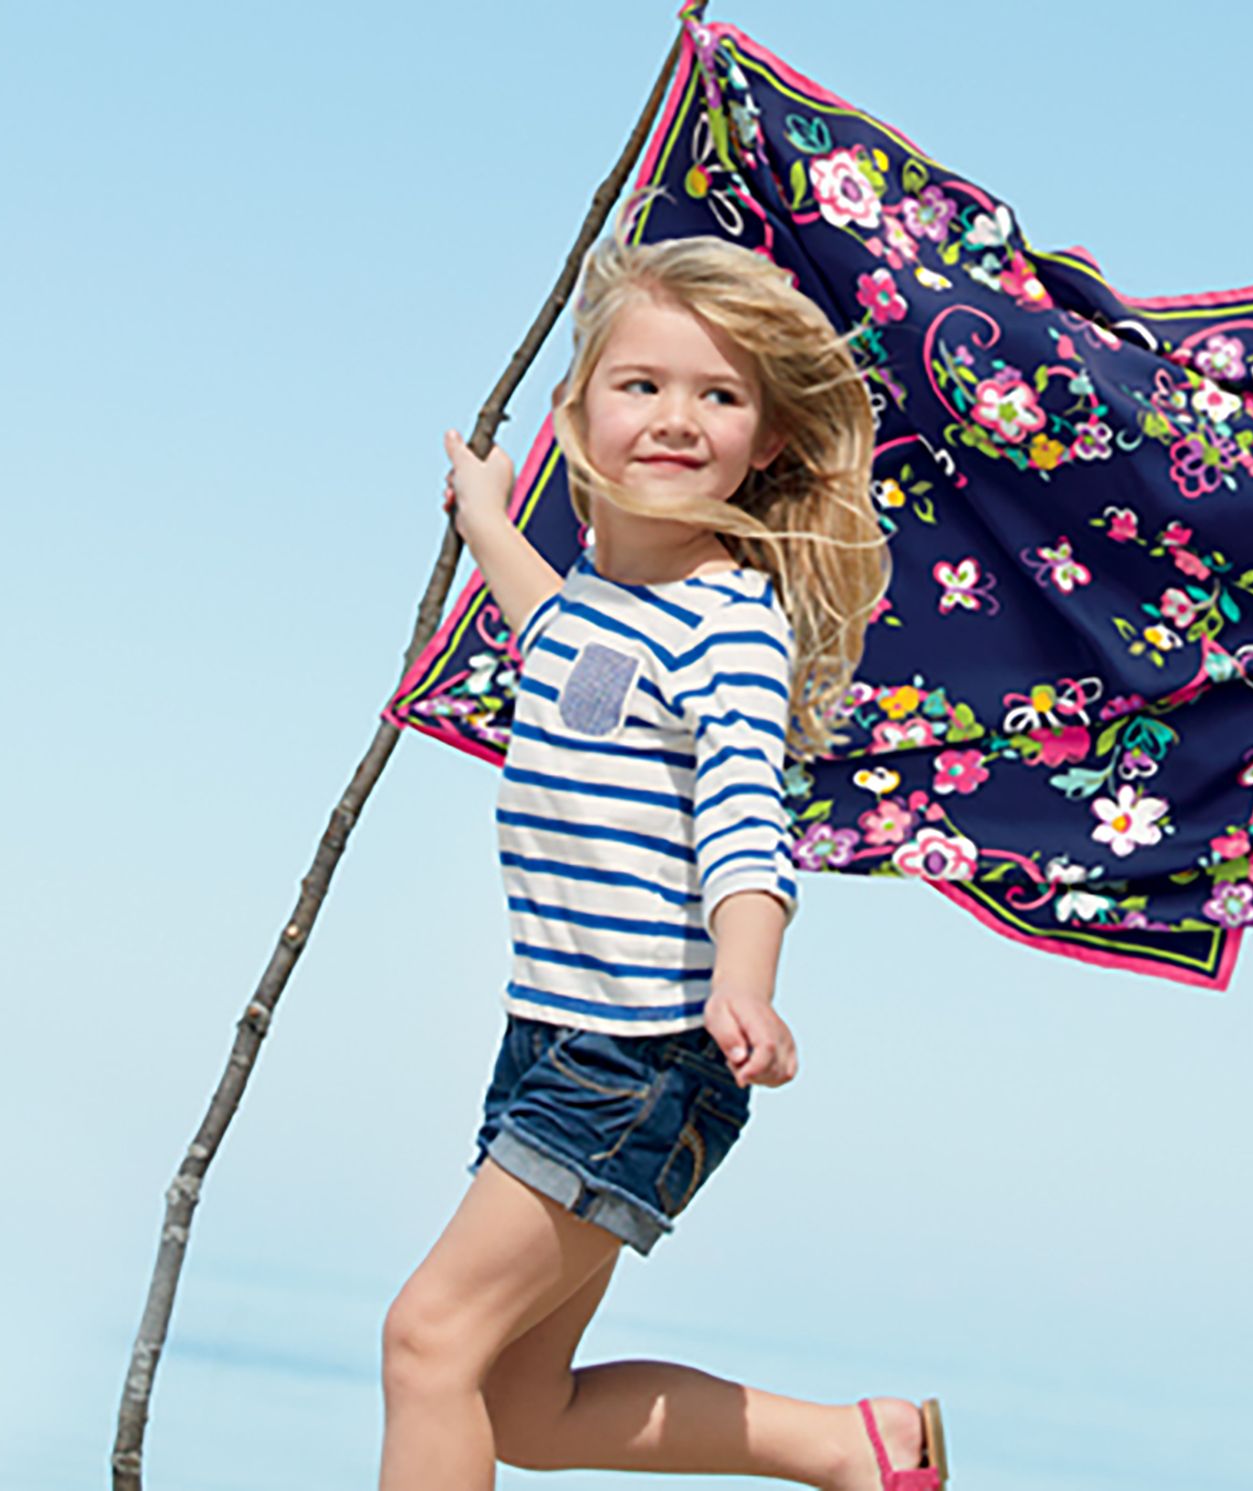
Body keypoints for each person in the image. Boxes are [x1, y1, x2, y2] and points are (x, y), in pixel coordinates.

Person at [385, 233, 941, 1491]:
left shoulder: (729, 627)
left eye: (720, 394)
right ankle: (857, 1449)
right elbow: (566, 654)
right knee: (519, 1409)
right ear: (576, 412)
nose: (676, 417)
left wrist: (747, 980)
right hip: (558, 1037)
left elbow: (751, 829)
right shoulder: (608, 603)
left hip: (632, 1055)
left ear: (771, 439)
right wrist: (484, 519)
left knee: (427, 1344)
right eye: (641, 385)